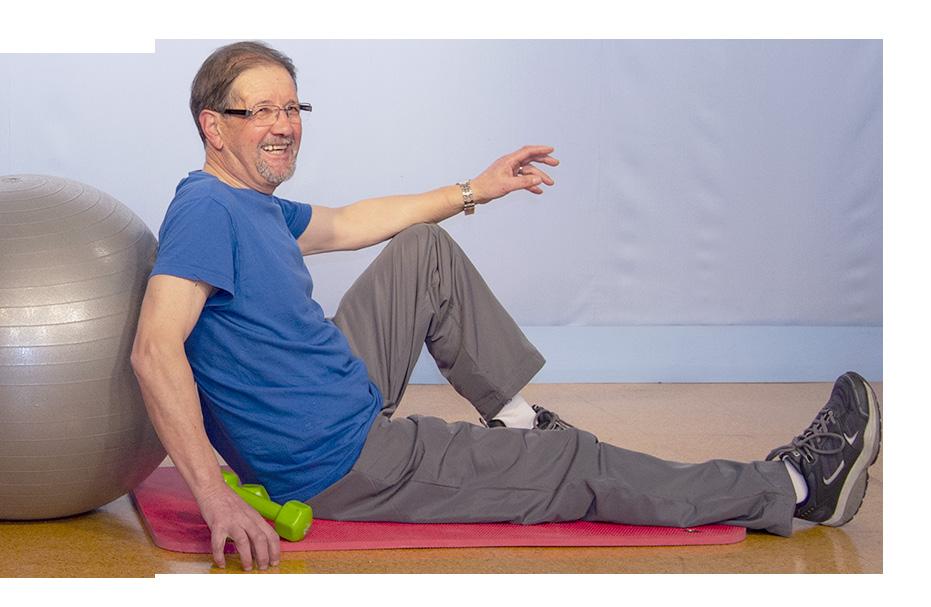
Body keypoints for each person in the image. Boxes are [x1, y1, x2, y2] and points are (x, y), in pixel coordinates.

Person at [130, 41, 882, 571]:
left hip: (332, 393)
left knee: (422, 248)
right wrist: (213, 496)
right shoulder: (206, 211)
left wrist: (474, 189)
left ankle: (519, 420)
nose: (284, 124)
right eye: (261, 110)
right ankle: (793, 487)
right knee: (572, 463)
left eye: (292, 107)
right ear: (213, 125)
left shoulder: (249, 203)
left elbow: (352, 222)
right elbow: (154, 350)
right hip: (338, 458)